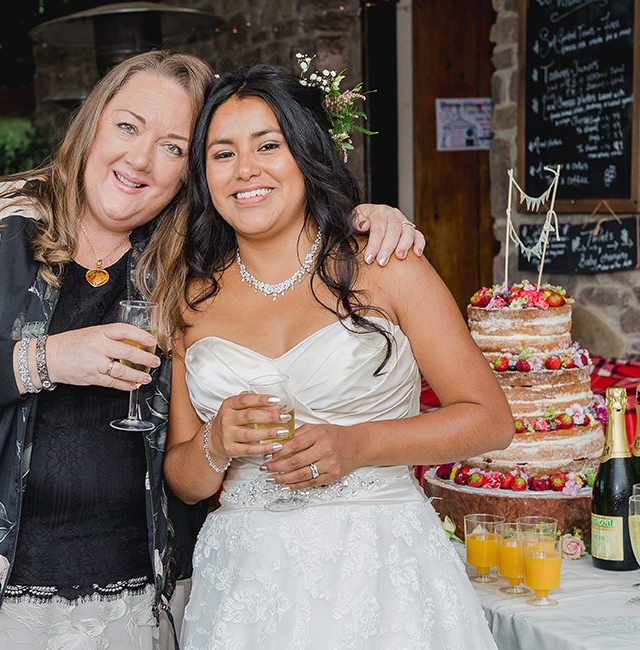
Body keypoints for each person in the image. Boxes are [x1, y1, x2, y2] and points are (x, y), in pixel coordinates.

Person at [0, 50, 424, 650]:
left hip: (132, 587)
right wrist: (47, 359)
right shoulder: (1, 218)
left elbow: (287, 228)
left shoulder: (195, 257)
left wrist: (362, 219)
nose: (140, 159)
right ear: (94, 123)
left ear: (191, 172)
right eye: (128, 127)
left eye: (173, 147)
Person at [163, 63, 513, 649]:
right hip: (247, 588)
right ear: (204, 176)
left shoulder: (388, 264)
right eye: (222, 154)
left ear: (306, 154)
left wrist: (359, 445)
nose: (245, 169)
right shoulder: (189, 301)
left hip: (383, 572)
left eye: (268, 146)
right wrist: (215, 444)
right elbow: (185, 481)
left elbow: (490, 419)